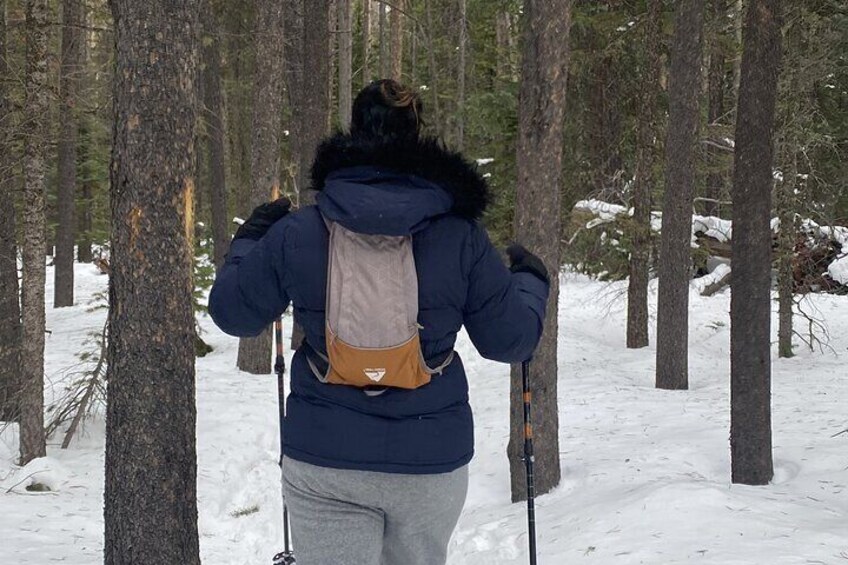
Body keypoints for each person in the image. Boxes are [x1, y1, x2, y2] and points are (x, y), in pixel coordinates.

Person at [208, 79, 549, 565]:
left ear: (351, 132)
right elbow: (512, 341)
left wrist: (247, 244)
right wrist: (531, 282)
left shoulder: (299, 230)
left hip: (326, 456)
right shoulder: (460, 235)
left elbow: (233, 314)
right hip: (429, 462)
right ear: (418, 137)